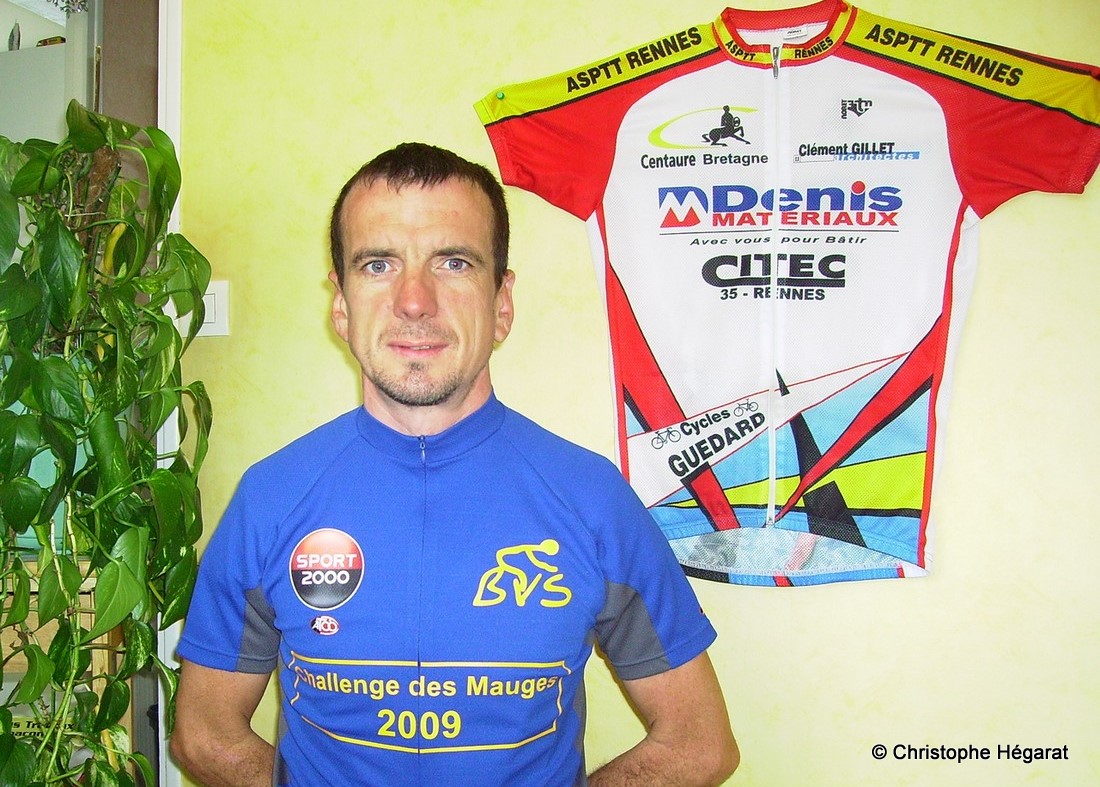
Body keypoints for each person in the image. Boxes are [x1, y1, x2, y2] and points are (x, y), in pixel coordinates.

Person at [170, 142, 739, 786]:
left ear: (502, 304)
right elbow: (203, 735)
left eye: (454, 262)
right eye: (378, 264)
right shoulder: (271, 499)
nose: (414, 301)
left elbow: (699, 746)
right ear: (341, 305)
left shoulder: (592, 500)